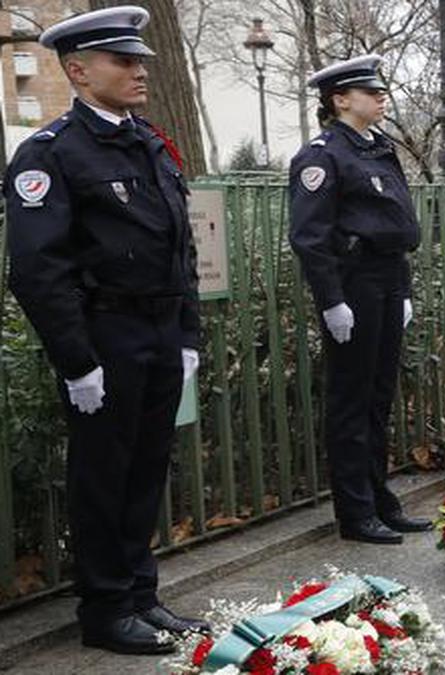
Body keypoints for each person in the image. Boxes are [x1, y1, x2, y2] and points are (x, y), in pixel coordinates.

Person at [3, 6, 208, 654]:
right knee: (103, 475)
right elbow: (39, 270)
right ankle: (104, 608)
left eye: (140, 59)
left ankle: (140, 594)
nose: (139, 70)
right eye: (123, 60)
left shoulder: (148, 141)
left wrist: (188, 334)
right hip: (105, 336)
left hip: (157, 330)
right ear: (78, 70)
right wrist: (75, 360)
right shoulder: (51, 152)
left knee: (147, 467)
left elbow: (180, 252)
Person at [288, 54, 432, 546]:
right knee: (351, 398)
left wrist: (405, 288)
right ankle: (355, 510)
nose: (380, 97)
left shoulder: (378, 148)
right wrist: (332, 299)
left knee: (378, 396)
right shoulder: (323, 154)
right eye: (369, 92)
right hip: (353, 282)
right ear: (340, 100)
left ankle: (379, 498)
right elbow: (310, 236)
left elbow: (397, 225)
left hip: (388, 276)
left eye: (379, 90)